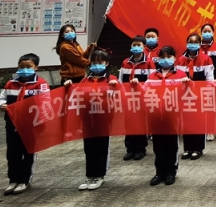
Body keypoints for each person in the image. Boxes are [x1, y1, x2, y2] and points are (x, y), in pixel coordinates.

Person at [64, 49, 118, 191]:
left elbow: (121, 96)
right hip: (87, 119)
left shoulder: (111, 79)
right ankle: (89, 175)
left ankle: (99, 175)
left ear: (106, 63)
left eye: (99, 62)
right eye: (93, 62)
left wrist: (116, 86)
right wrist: (69, 86)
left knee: (101, 147)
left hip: (104, 119)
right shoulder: (85, 80)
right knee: (89, 148)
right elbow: (76, 95)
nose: (96, 65)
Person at [0, 53, 49, 195]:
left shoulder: (41, 84)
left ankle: (24, 180)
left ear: (36, 67)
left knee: (28, 152)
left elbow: (46, 102)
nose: (24, 69)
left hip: (31, 124)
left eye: (28, 67)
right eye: (21, 67)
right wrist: (1, 105)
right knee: (12, 152)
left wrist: (42, 121)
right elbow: (2, 98)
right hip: (12, 123)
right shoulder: (11, 84)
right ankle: (13, 179)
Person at [143, 46, 186, 186]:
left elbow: (189, 92)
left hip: (172, 117)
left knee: (171, 145)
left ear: (174, 58)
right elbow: (144, 92)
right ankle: (159, 172)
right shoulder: (152, 76)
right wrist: (135, 85)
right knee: (158, 146)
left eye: (169, 57)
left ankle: (171, 172)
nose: (165, 60)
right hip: (156, 116)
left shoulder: (181, 75)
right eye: (162, 57)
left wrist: (188, 84)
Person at [176, 33, 213, 160]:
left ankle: (198, 148)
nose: (193, 44)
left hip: (200, 95)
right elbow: (177, 77)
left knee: (198, 122)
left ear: (199, 44)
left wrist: (207, 94)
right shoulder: (181, 60)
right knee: (187, 122)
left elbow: (209, 79)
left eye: (195, 42)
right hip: (186, 96)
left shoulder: (206, 59)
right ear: (186, 44)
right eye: (190, 42)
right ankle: (188, 148)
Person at [119, 36, 154, 161]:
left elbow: (152, 81)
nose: (136, 47)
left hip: (142, 98)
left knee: (140, 123)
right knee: (128, 123)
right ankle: (130, 149)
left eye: (138, 45)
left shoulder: (149, 62)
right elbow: (120, 80)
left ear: (144, 47)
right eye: (134, 45)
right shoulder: (125, 62)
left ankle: (140, 149)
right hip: (128, 98)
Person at [200, 22, 216, 142]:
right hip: (199, 81)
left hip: (213, 81)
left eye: (209, 31)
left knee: (210, 106)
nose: (206, 33)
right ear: (201, 33)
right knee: (199, 106)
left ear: (213, 33)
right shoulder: (196, 46)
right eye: (204, 31)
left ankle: (210, 130)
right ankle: (201, 129)